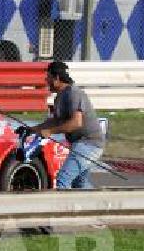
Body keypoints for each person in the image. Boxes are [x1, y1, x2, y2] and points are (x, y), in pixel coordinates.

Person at [30, 61, 106, 189]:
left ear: (57, 78)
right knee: (80, 184)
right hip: (83, 144)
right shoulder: (60, 96)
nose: (46, 80)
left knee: (62, 180)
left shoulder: (73, 94)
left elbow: (76, 123)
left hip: (89, 144)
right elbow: (54, 121)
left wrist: (49, 132)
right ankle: (97, 204)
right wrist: (33, 129)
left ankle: (61, 208)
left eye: (48, 77)